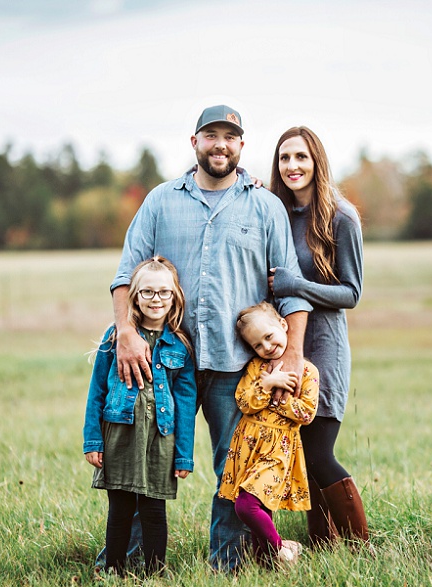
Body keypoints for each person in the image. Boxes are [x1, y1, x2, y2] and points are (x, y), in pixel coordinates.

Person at [110, 105, 312, 571]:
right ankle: (133, 563)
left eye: (230, 136)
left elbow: (292, 291)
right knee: (146, 462)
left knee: (233, 471)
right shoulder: (160, 200)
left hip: (235, 365)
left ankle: (229, 565)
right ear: (194, 142)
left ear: (242, 145)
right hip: (162, 360)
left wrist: (294, 356)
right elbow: (126, 274)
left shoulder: (265, 206)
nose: (220, 144)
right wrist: (125, 331)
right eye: (211, 135)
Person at [268, 126, 371, 548]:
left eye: (301, 157)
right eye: (284, 158)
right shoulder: (274, 212)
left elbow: (352, 292)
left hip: (324, 347)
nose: (292, 166)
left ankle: (358, 542)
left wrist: (296, 285)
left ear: (317, 162)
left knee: (317, 452)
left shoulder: (340, 217)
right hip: (281, 344)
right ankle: (324, 544)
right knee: (297, 452)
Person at [83, 256, 197, 577]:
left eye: (163, 292)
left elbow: (186, 404)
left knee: (153, 510)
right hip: (119, 435)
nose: (156, 299)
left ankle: (154, 574)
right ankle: (114, 572)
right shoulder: (115, 339)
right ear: (134, 296)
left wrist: (184, 455)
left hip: (160, 441)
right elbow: (97, 393)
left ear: (174, 296)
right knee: (119, 510)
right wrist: (93, 439)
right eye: (147, 292)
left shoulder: (180, 346)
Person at [217, 302, 319, 567]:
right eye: (257, 345)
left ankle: (283, 548)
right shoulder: (256, 369)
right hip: (249, 447)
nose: (266, 347)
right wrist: (266, 384)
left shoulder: (306, 372)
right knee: (261, 508)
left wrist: (277, 401)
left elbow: (306, 414)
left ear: (283, 326)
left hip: (278, 450)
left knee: (246, 506)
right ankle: (267, 565)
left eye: (269, 336)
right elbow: (244, 401)